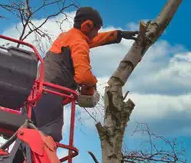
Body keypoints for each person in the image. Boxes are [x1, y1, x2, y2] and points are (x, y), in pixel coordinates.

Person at [32, 7, 138, 142]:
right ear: (87, 26)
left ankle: (18, 162)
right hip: (50, 93)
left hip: (35, 91)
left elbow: (94, 40)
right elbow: (83, 75)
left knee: (28, 132)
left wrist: (118, 34)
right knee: (49, 135)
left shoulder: (68, 36)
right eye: (97, 29)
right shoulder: (79, 43)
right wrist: (93, 83)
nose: (97, 33)